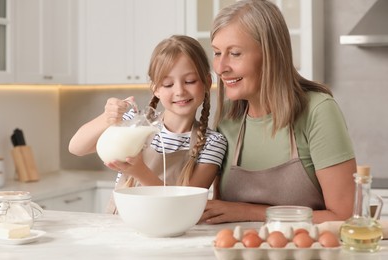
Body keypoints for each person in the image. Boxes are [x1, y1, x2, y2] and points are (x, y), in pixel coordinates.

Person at [200, 0, 356, 224]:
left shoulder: (318, 111)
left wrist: (248, 212)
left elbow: (345, 216)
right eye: (216, 53)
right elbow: (219, 210)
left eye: (234, 53)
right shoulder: (227, 119)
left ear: (270, 55)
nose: (220, 67)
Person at [69, 35, 227, 213]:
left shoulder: (212, 143)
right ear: (156, 89)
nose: (180, 91)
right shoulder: (134, 123)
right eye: (168, 84)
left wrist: (139, 171)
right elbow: (76, 148)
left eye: (190, 81)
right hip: (117, 231)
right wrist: (106, 118)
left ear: (207, 82)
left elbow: (185, 207)